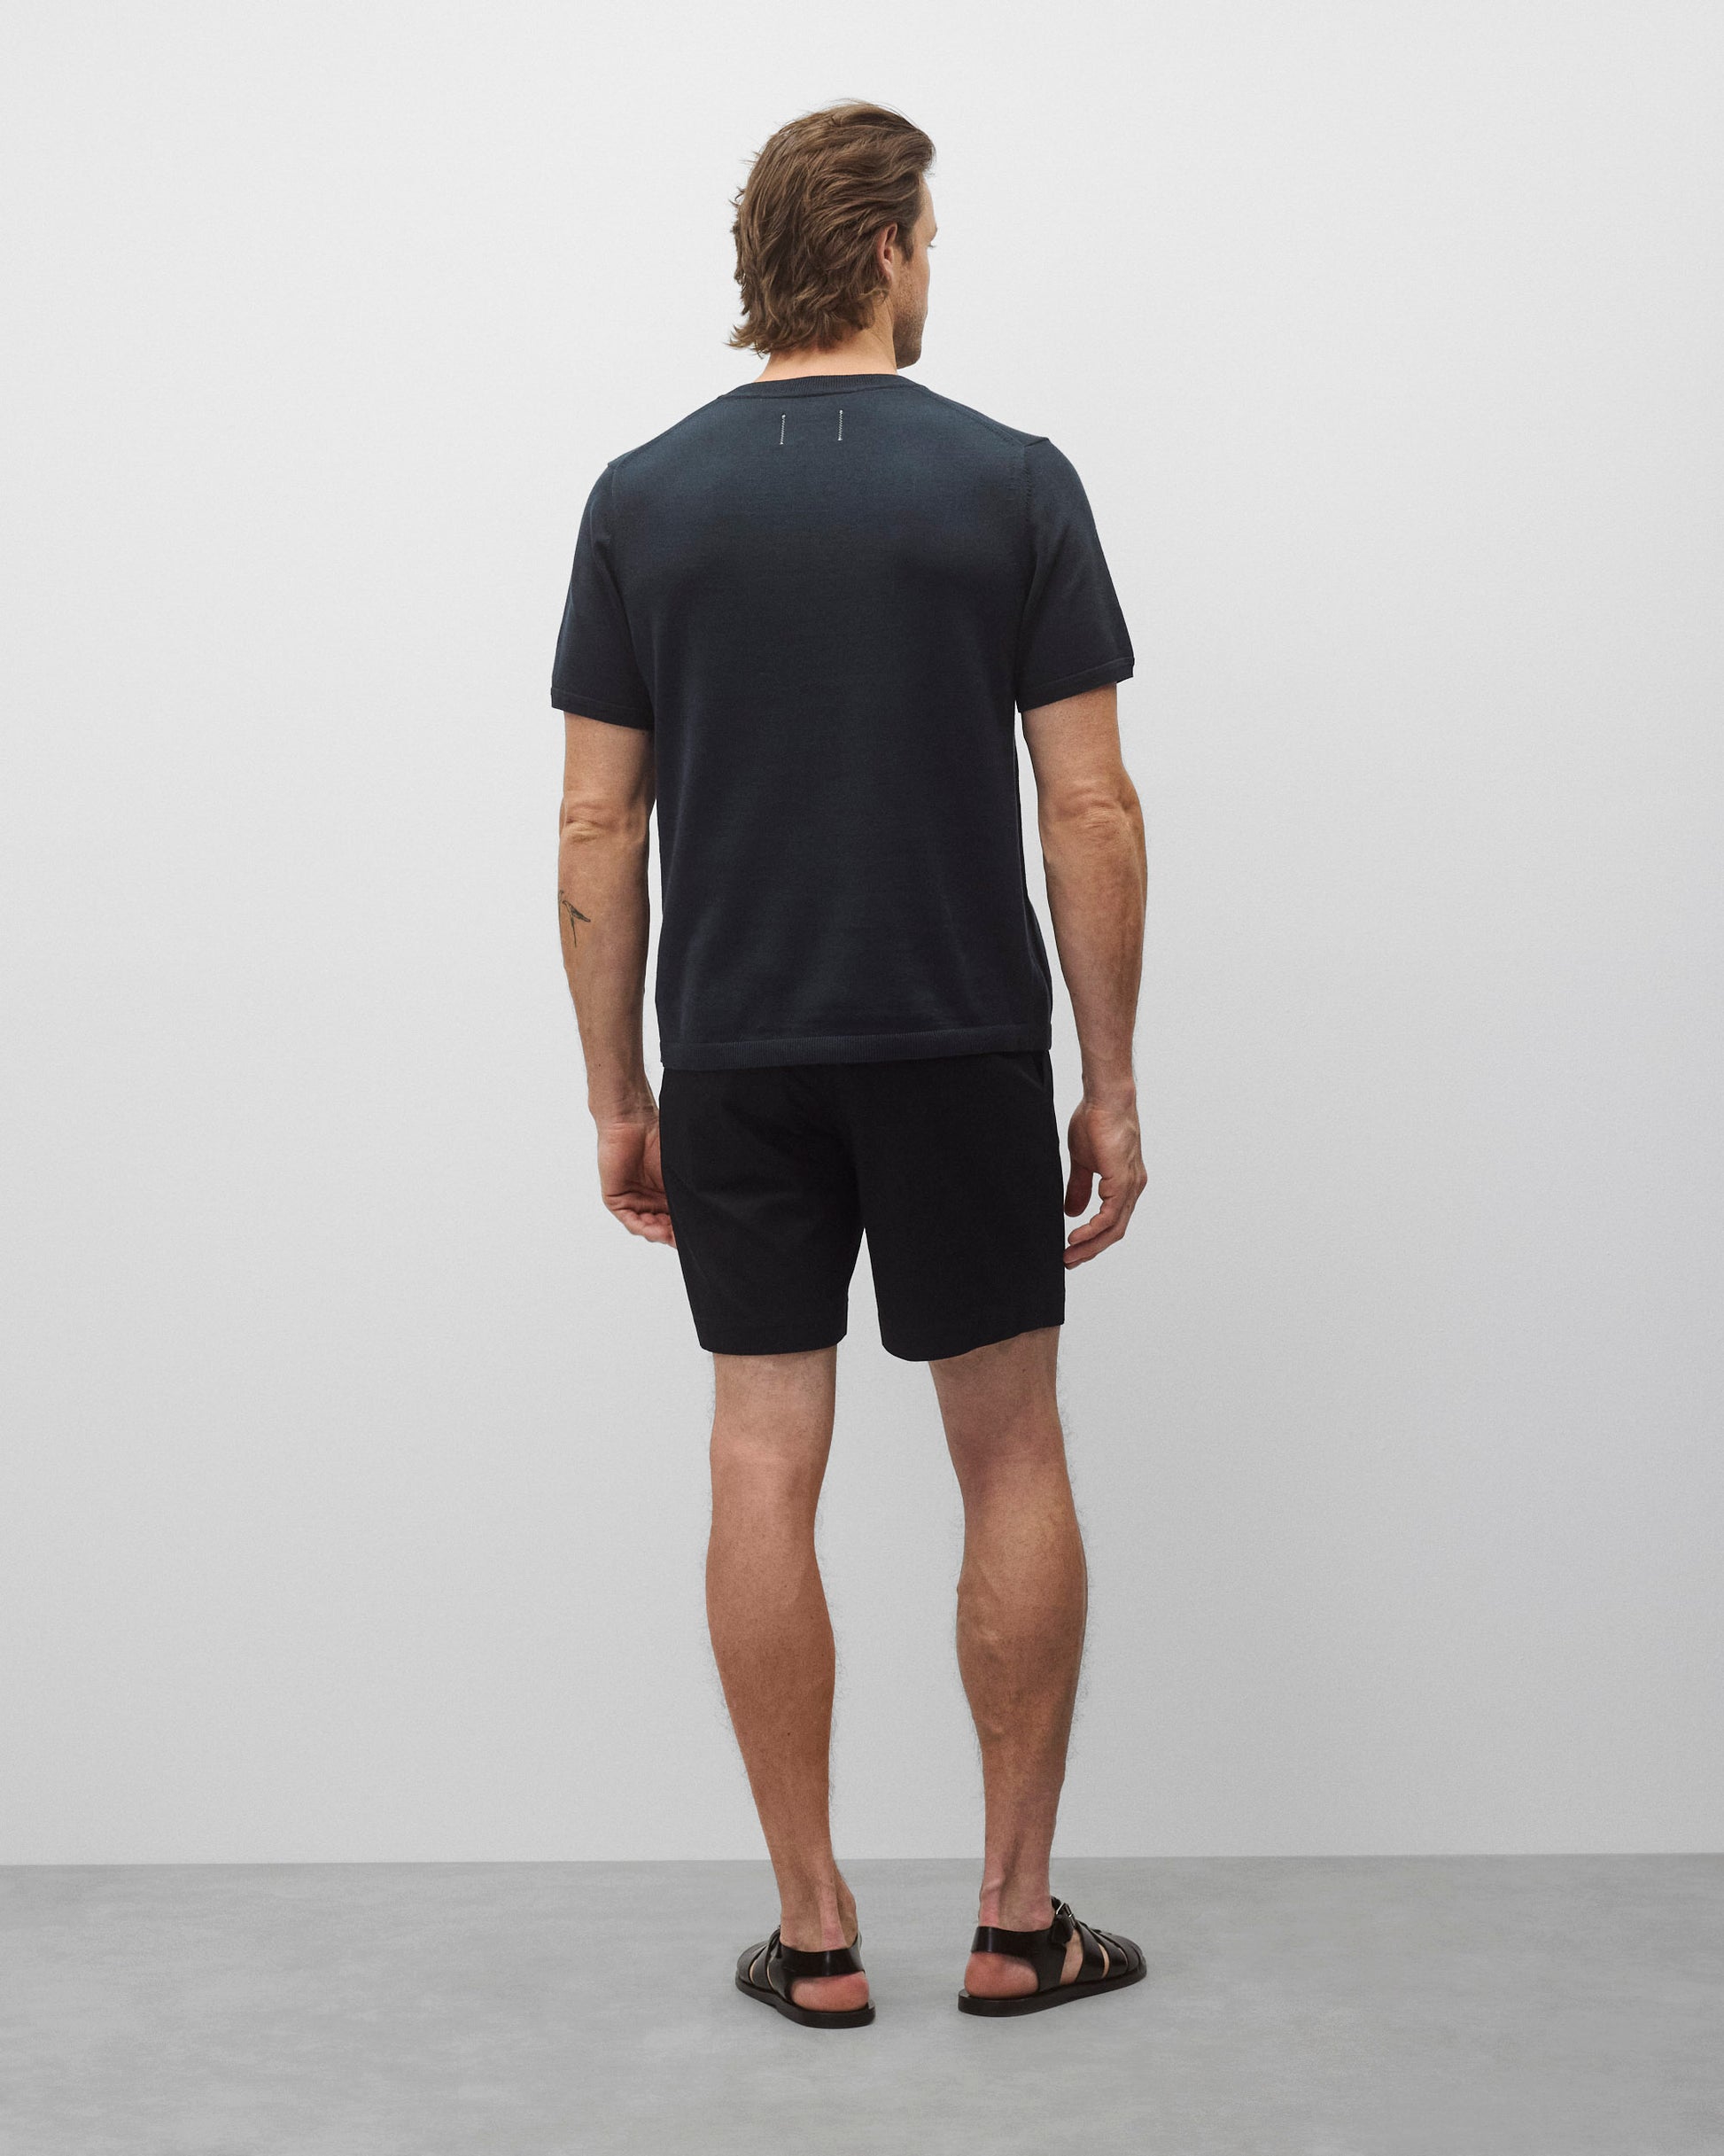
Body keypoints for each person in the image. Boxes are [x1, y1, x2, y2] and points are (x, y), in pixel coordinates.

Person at [550, 101, 1148, 2028]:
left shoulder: (642, 498)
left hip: (737, 1050)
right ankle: (1012, 1923)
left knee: (757, 1449)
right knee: (1010, 1446)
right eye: (930, 237)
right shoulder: (1011, 482)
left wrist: (618, 1091)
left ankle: (815, 1937)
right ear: (888, 248)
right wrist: (1110, 1078)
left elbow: (595, 825)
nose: (931, 263)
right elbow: (1090, 807)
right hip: (956, 1034)